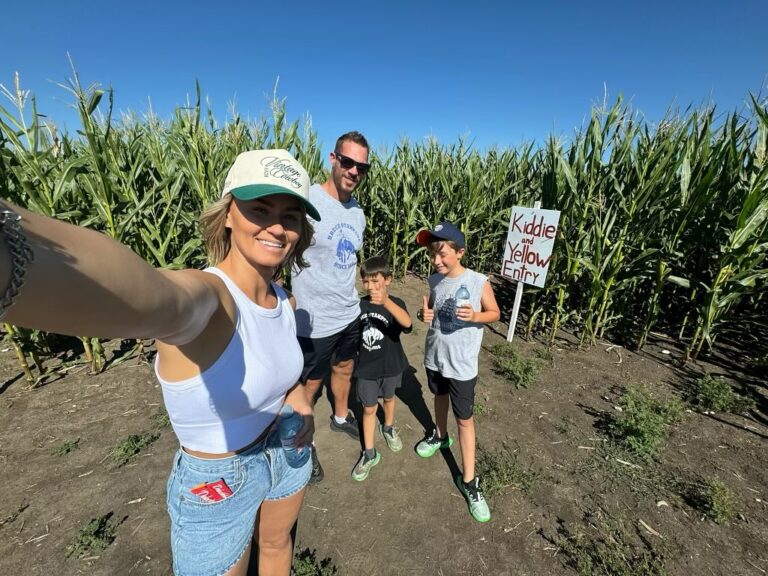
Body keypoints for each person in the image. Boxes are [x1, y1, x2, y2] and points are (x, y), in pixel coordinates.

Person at [0, 149, 320, 575]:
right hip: (219, 483)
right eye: (259, 209)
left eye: (291, 215)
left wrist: (298, 398)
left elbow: (280, 366)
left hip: (285, 446)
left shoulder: (283, 299)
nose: (277, 227)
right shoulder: (211, 299)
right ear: (228, 215)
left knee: (278, 546)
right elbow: (156, 297)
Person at [290, 131, 370, 482]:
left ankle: (340, 417)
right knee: (308, 385)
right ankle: (302, 447)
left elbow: (349, 259)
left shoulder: (358, 214)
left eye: (362, 167)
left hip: (348, 313)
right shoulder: (306, 202)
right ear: (333, 158)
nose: (354, 171)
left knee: (344, 368)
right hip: (314, 319)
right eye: (348, 162)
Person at [414, 221, 500, 523]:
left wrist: (476, 315)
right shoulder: (434, 280)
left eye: (442, 253)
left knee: (465, 419)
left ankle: (470, 481)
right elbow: (433, 310)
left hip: (462, 364)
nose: (436, 260)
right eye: (431, 255)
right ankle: (439, 435)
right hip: (436, 356)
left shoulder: (478, 281)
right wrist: (422, 314)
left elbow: (495, 313)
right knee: (438, 397)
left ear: (460, 252)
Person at [351, 256, 412, 481]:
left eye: (376, 281)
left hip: (391, 365)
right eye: (366, 282)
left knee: (389, 398)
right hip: (366, 369)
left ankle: (388, 427)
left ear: (388, 280)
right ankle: (369, 453)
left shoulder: (395, 303)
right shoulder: (359, 305)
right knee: (368, 408)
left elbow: (407, 324)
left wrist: (386, 302)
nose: (371, 287)